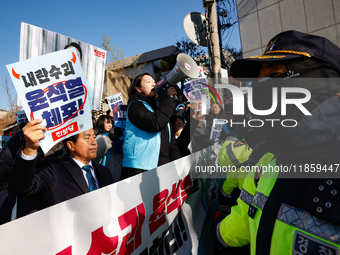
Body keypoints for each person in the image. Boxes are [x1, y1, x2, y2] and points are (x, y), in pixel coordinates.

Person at [216, 30, 340, 254]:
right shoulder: (267, 157)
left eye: (274, 76)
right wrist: (219, 233)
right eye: (258, 80)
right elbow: (248, 216)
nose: (261, 88)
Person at [8, 119, 113, 212]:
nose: (94, 142)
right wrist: (30, 149)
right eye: (87, 138)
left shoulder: (104, 172)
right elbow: (22, 187)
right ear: (71, 146)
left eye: (94, 137)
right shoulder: (54, 171)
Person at [122, 73, 181, 179]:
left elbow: (171, 142)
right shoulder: (135, 106)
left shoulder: (159, 108)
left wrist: (178, 164)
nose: (153, 84)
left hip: (162, 166)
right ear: (139, 89)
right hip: (140, 168)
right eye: (148, 82)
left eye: (154, 82)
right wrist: (168, 99)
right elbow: (156, 123)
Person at [93, 115, 123, 182]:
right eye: (107, 123)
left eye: (111, 123)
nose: (110, 125)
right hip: (104, 176)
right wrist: (109, 139)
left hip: (115, 177)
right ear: (101, 123)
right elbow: (96, 155)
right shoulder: (99, 138)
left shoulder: (116, 138)